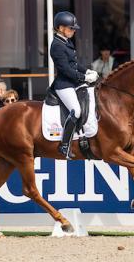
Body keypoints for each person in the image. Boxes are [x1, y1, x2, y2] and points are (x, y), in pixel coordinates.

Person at [48, 11, 98, 159]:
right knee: (76, 111)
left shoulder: (66, 41)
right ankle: (64, 145)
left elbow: (74, 64)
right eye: (71, 28)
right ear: (61, 28)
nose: (73, 31)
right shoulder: (57, 45)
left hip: (73, 82)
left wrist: (87, 70)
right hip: (64, 84)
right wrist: (84, 77)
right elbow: (65, 69)